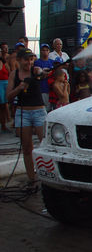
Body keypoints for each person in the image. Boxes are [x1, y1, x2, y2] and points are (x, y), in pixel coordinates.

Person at [6, 49, 50, 186]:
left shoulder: (35, 70)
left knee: (45, 145)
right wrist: (20, 88)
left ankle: (48, 177)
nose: (29, 62)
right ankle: (32, 178)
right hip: (22, 112)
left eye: (31, 59)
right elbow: (8, 97)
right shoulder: (14, 74)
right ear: (18, 60)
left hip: (39, 111)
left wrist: (42, 73)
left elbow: (43, 74)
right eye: (26, 59)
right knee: (26, 147)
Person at [34, 44, 55, 112]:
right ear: (40, 51)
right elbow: (37, 76)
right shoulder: (37, 62)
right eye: (43, 50)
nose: (45, 51)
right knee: (44, 109)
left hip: (52, 89)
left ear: (49, 51)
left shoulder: (52, 62)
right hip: (42, 88)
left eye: (47, 50)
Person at [0, 44, 10, 132]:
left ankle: (4, 124)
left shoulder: (4, 61)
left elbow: (9, 71)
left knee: (4, 105)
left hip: (5, 83)